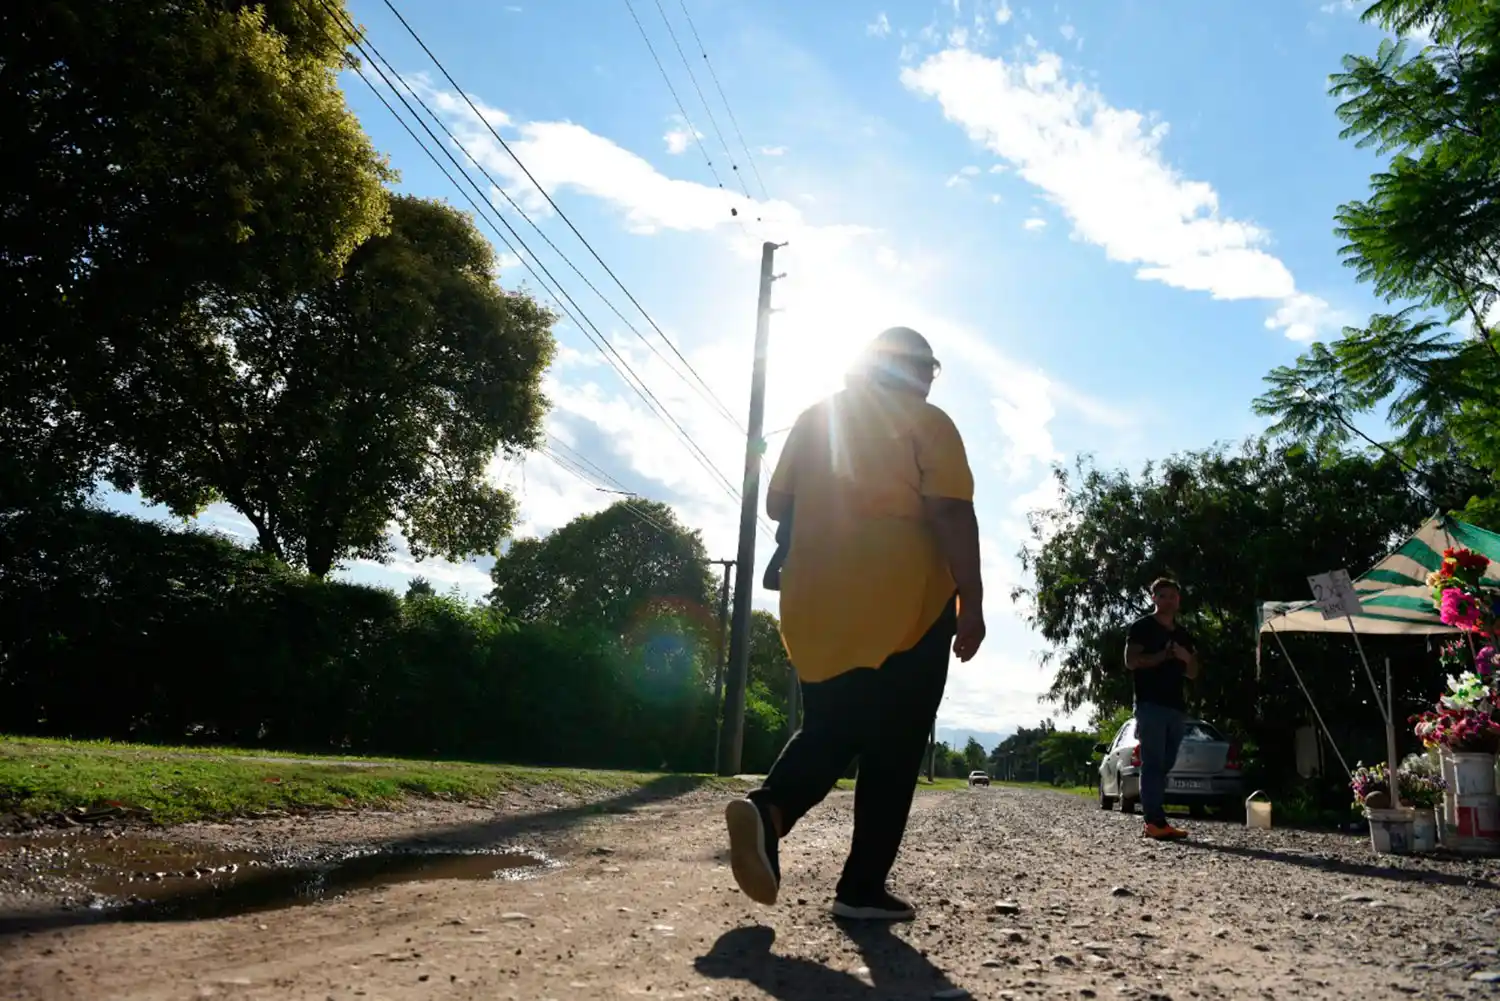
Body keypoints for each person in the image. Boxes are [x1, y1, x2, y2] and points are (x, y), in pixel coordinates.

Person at [722, 326, 985, 922]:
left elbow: (777, 504)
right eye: (928, 370)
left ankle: (770, 813)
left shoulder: (817, 418)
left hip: (816, 599)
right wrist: (972, 596)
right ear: (918, 371)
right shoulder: (928, 421)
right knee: (895, 743)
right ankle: (861, 888)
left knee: (833, 725)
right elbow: (949, 509)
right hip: (905, 605)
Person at [1124, 578, 1201, 840]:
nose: (1169, 600)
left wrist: (1184, 656)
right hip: (1150, 704)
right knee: (1154, 762)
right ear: (1154, 598)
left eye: (1173, 596)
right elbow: (1131, 661)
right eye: (1163, 595)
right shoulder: (1142, 627)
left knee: (1165, 762)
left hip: (1176, 707)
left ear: (1178, 601)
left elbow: (1193, 672)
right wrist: (1162, 656)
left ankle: (1155, 817)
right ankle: (1154, 821)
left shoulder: (1183, 635)